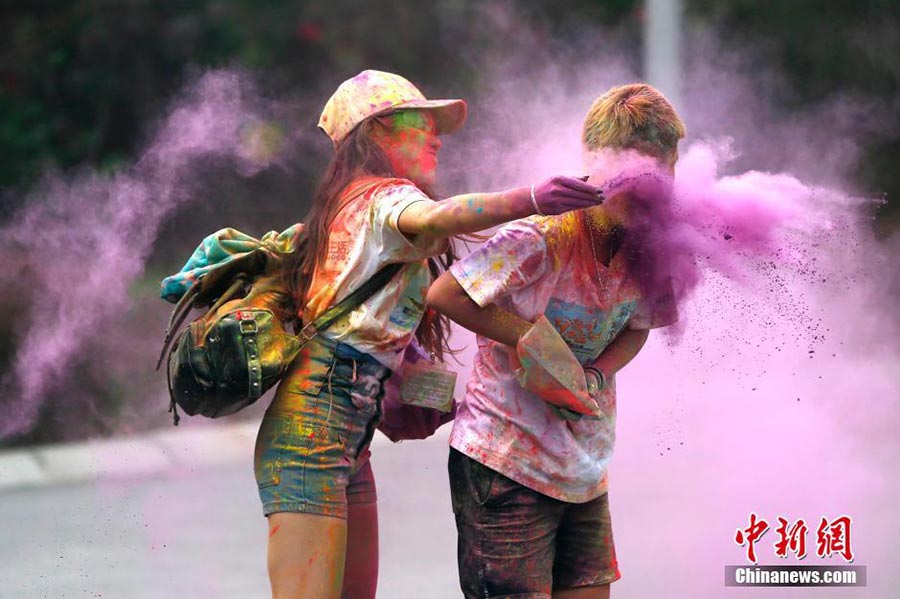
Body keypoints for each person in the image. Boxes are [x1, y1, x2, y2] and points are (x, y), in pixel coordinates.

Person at [256, 69, 604, 599]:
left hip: (347, 441)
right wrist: (532, 198)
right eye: (421, 124)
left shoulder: (351, 210)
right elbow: (441, 215)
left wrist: (444, 400)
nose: (437, 136)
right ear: (376, 134)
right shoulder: (381, 198)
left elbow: (368, 339)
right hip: (310, 437)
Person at [426, 83, 686, 599]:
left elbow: (639, 328)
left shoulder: (652, 246)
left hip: (584, 470)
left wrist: (595, 372)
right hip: (505, 461)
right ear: (600, 162)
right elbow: (445, 293)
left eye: (665, 167)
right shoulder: (543, 234)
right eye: (640, 168)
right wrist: (526, 337)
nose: (653, 185)